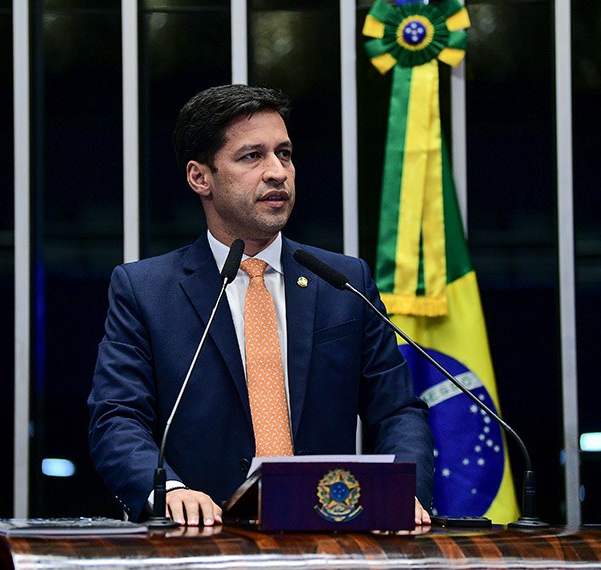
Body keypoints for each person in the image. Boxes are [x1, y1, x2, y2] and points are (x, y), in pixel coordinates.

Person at [88, 84, 433, 527]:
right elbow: (117, 417)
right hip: (201, 539)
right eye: (252, 156)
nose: (277, 172)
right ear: (200, 178)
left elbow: (398, 411)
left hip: (329, 534)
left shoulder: (344, 282)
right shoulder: (145, 290)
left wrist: (404, 490)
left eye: (284, 154)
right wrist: (169, 491)